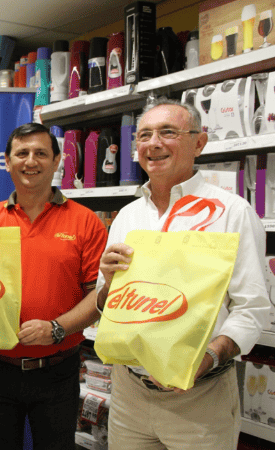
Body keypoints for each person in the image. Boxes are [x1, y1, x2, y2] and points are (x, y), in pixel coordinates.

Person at [96, 99, 271, 449]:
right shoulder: (127, 216)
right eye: (144, 135)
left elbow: (252, 308)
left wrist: (207, 359)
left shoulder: (232, 212)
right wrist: (109, 285)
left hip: (199, 397)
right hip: (129, 393)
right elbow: (105, 302)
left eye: (168, 133)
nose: (153, 143)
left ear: (200, 143)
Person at [0, 122, 107, 449]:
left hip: (58, 370)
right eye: (22, 153)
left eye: (40, 153)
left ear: (56, 160)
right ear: (7, 162)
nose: (30, 161)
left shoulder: (85, 221)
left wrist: (58, 328)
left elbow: (99, 296)